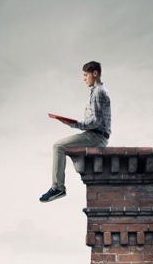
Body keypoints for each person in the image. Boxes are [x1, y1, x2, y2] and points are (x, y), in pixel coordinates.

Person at [40, 61, 111, 202]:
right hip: (94, 135)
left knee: (58, 146)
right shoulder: (98, 91)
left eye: (86, 75)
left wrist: (74, 124)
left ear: (95, 73)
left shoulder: (98, 92)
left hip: (96, 136)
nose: (84, 78)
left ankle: (58, 188)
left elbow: (95, 122)